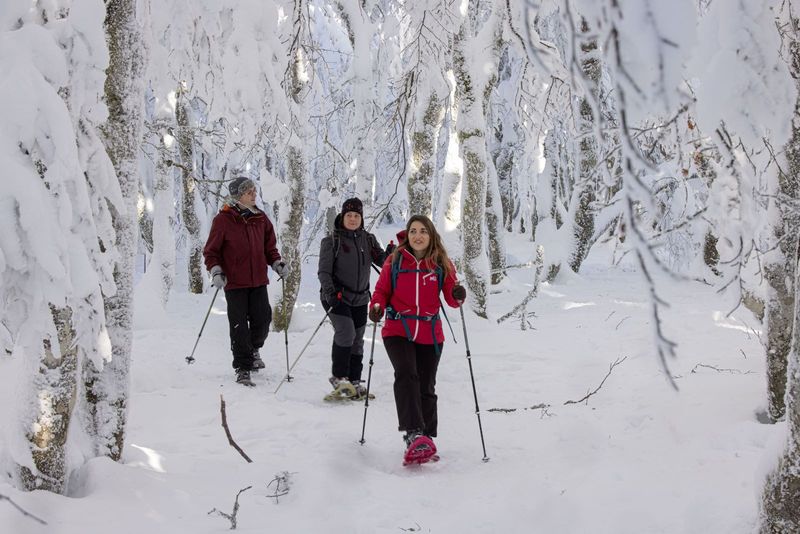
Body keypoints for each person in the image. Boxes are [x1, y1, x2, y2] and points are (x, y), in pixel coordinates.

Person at [368, 215, 466, 462]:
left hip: (430, 333)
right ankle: (413, 434)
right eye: (413, 231)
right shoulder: (396, 260)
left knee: (426, 385)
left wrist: (457, 294)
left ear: (431, 235)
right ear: (408, 235)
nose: (417, 235)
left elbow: (453, 301)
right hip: (398, 329)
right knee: (406, 374)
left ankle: (426, 438)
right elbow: (381, 291)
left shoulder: (441, 264)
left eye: (423, 231)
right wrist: (377, 305)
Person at [203, 177, 289, 386]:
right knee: (239, 326)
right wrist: (216, 271)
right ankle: (243, 367)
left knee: (263, 320)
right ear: (238, 196)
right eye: (249, 192)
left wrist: (277, 263)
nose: (254, 194)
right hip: (234, 283)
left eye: (254, 190)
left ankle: (254, 349)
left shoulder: (261, 219)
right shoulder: (223, 220)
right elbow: (211, 251)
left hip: (258, 280)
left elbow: (269, 248)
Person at [318, 197, 390, 399]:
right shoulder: (332, 241)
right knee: (346, 332)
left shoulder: (368, 239)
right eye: (349, 215)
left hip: (360, 298)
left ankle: (355, 381)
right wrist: (331, 293)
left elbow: (382, 261)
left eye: (356, 215)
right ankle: (339, 378)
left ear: (361, 218)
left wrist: (390, 255)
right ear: (342, 216)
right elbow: (323, 272)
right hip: (336, 296)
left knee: (358, 339)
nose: (352, 218)